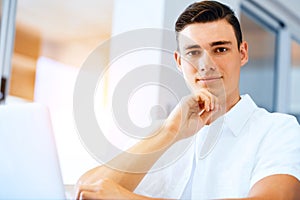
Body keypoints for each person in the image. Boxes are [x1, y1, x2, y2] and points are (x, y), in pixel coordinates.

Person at [75, 1, 300, 199]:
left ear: (242, 53)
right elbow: (88, 189)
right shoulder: (160, 132)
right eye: (193, 53)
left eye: (220, 49)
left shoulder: (278, 129)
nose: (206, 64)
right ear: (178, 61)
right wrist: (169, 133)